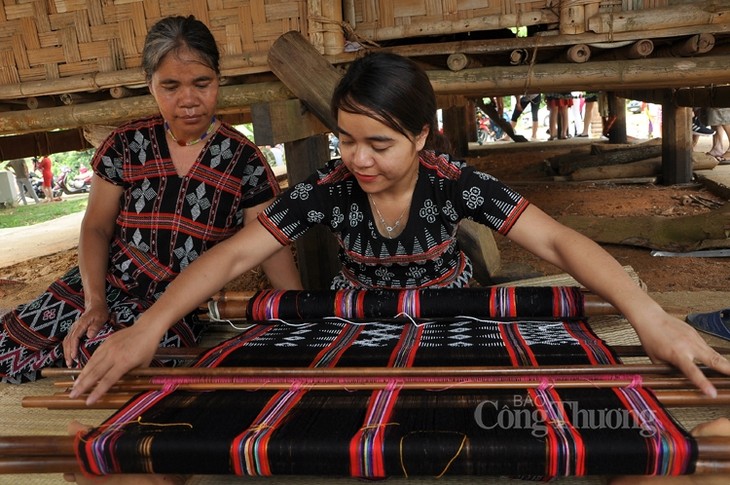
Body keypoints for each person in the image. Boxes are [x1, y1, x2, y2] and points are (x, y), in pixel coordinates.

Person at [69, 51, 730, 410]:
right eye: (346, 139)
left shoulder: (453, 181)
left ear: (420, 136)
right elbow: (234, 254)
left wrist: (647, 315)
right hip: (364, 316)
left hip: (454, 309)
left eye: (379, 143)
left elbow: (557, 241)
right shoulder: (331, 190)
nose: (358, 159)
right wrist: (149, 325)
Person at [0, 15, 301, 386]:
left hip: (173, 309)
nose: (188, 100)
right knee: (9, 343)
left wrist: (300, 315)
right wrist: (95, 302)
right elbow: (96, 227)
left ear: (218, 80)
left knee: (104, 362)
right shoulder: (126, 145)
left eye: (202, 83)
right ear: (150, 85)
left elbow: (269, 244)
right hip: (98, 283)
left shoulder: (244, 160)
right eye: (170, 86)